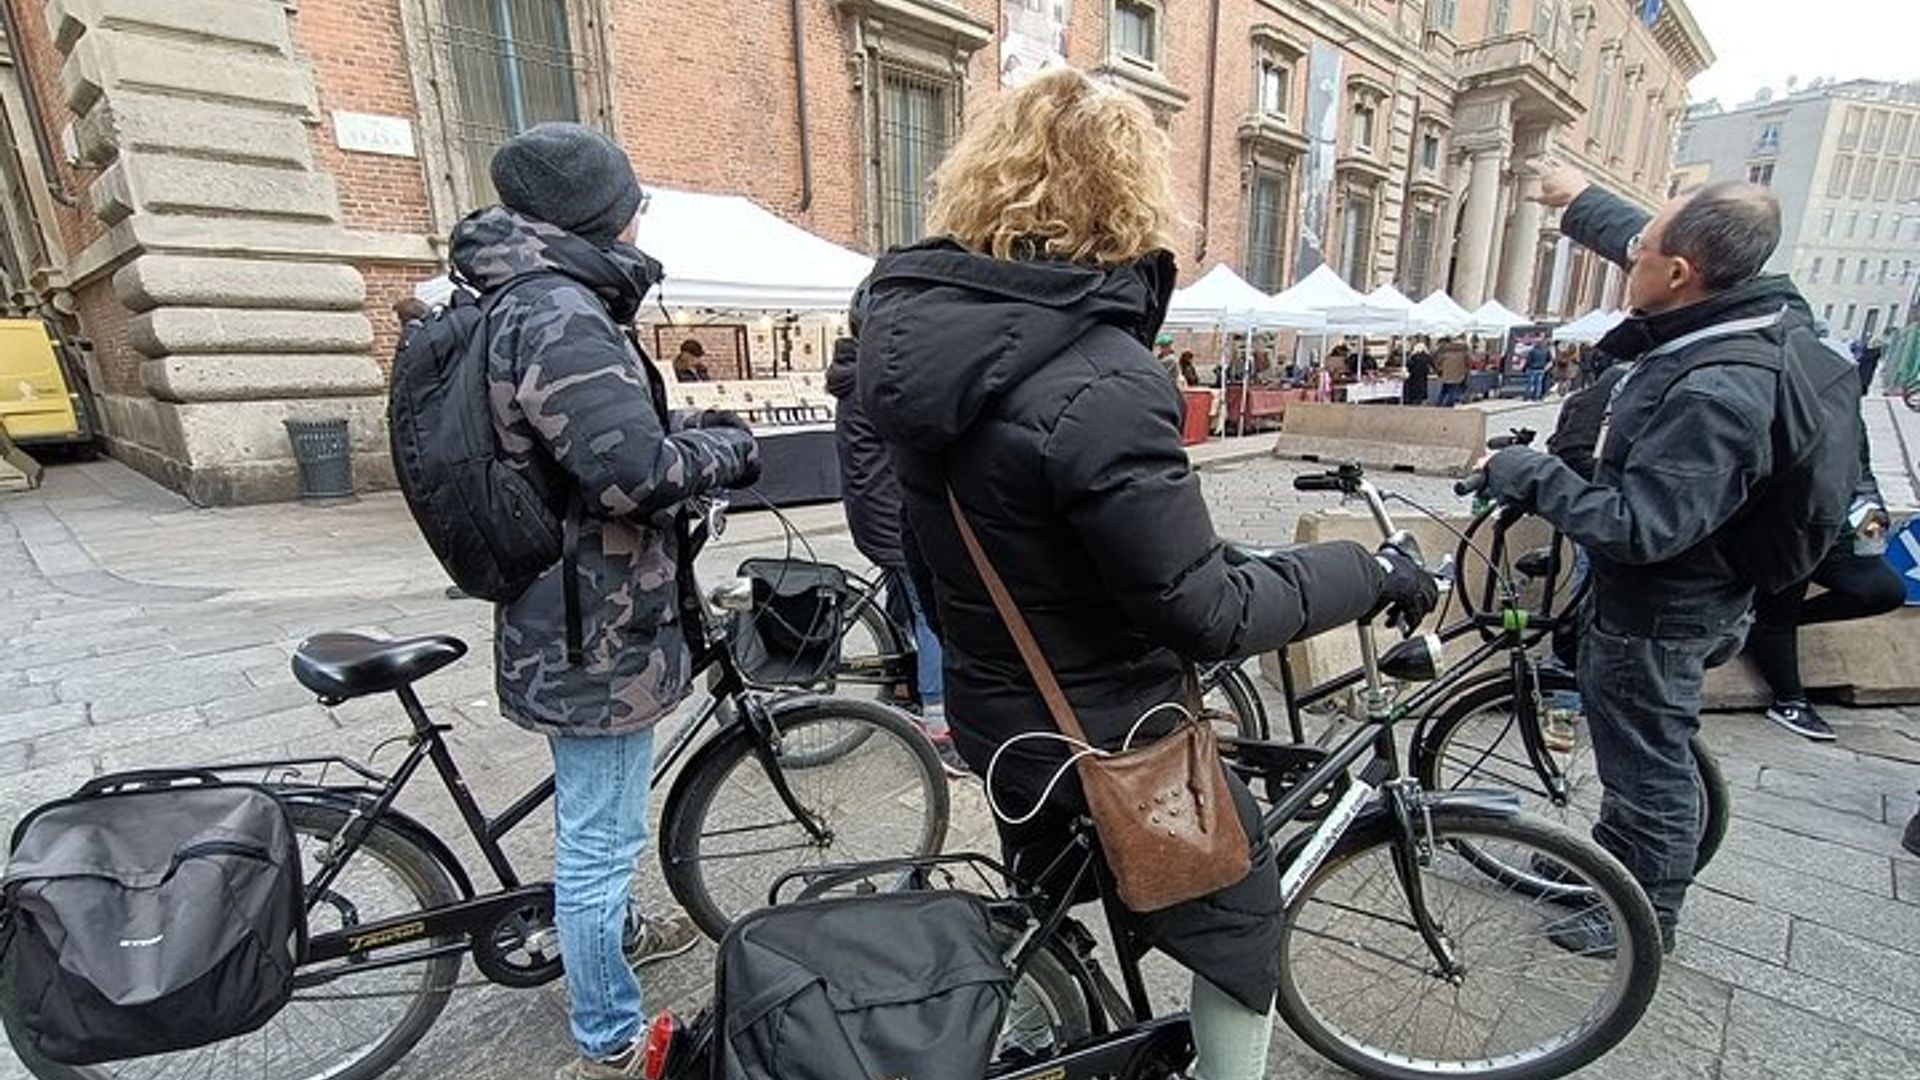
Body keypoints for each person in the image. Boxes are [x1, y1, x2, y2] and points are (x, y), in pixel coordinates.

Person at [856, 69, 1437, 1080]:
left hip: (1008, 718)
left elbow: (934, 537)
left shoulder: (912, 353)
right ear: (1128, 199)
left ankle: (1056, 1032)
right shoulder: (1100, 374)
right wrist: (1361, 567)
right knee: (1240, 926)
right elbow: (1202, 612)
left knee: (1055, 906)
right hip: (1108, 736)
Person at [1472, 161, 1853, 955]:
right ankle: (1618, 877)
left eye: (1640, 249)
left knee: (1646, 767)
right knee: (1646, 751)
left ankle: (1641, 920)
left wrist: (1529, 474)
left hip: (1663, 611)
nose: (1628, 257)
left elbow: (1643, 526)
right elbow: (1657, 240)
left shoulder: (1718, 387)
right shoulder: (1749, 309)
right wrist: (1580, 202)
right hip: (1695, 595)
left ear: (1679, 273)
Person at [455, 122, 759, 1080]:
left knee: (598, 820)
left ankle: (615, 931)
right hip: (594, 634)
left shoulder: (531, 296)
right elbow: (629, 474)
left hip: (573, 612)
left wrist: (679, 425)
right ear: (601, 210)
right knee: (600, 837)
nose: (641, 215)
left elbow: (592, 445)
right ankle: (609, 1038)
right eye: (634, 198)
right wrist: (729, 450)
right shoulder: (558, 309)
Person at [825, 285, 967, 775]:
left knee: (903, 601)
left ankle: (904, 686)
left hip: (872, 513)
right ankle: (939, 727)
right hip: (893, 517)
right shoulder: (878, 380)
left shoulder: (856, 375)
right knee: (933, 617)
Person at [1742, 392, 1906, 740]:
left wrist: (1871, 534)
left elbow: (1863, 478)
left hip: (1835, 528)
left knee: (1883, 590)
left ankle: (1764, 627)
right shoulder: (1769, 402)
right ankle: (1789, 699)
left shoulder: (1843, 411)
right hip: (1782, 528)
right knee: (1780, 603)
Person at [1435, 335, 1470, 405]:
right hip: (1458, 374)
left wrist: (1440, 369)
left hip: (1446, 374)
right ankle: (1448, 406)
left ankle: (1438, 404)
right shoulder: (1463, 351)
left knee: (1444, 390)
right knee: (1453, 391)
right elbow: (1467, 363)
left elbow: (1438, 361)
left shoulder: (1444, 350)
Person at [1403, 337, 1433, 404]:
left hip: (1414, 376)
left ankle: (1413, 401)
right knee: (1422, 389)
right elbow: (1432, 365)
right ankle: (1420, 400)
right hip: (1423, 376)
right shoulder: (1427, 356)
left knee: (1414, 390)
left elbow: (1408, 366)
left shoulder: (1413, 357)